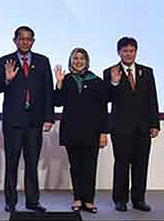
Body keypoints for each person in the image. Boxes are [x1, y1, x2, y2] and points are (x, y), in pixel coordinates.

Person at [0, 26, 54, 213]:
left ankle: (32, 202)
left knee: (32, 163)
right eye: (21, 39)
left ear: (33, 41)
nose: (25, 42)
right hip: (14, 122)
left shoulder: (43, 61)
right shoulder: (5, 61)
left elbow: (48, 91)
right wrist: (7, 79)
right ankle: (10, 202)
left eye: (29, 39)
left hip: (35, 122)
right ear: (15, 40)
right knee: (11, 163)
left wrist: (49, 117)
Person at [104, 37, 159, 212]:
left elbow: (152, 99)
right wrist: (114, 82)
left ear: (136, 52)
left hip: (143, 127)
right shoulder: (110, 71)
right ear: (119, 52)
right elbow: (106, 99)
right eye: (125, 51)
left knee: (141, 164)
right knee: (121, 163)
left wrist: (154, 124)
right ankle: (120, 200)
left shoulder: (147, 72)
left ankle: (138, 200)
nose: (128, 54)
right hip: (120, 127)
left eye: (132, 51)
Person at [54, 47, 109, 213]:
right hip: (72, 130)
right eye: (75, 59)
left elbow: (102, 109)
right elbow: (57, 102)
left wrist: (103, 132)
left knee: (90, 166)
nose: (78, 61)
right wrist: (59, 83)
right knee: (75, 166)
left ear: (87, 61)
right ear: (71, 61)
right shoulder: (67, 79)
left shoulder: (97, 81)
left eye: (81, 59)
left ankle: (89, 200)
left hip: (92, 131)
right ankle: (78, 198)